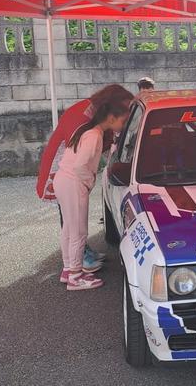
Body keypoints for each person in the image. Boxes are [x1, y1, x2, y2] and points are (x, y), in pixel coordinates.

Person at [36, 84, 134, 273]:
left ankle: (73, 264)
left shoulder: (95, 117)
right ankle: (76, 267)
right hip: (68, 172)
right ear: (112, 111)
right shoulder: (88, 125)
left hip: (67, 173)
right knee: (76, 227)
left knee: (71, 226)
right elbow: (81, 162)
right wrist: (88, 180)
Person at [54, 97, 130, 290]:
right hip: (74, 182)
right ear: (111, 118)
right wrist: (88, 183)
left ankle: (68, 268)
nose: (123, 124)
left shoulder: (86, 130)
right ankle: (76, 276)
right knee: (79, 231)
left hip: (63, 179)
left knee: (69, 228)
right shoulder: (94, 135)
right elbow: (81, 166)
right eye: (122, 119)